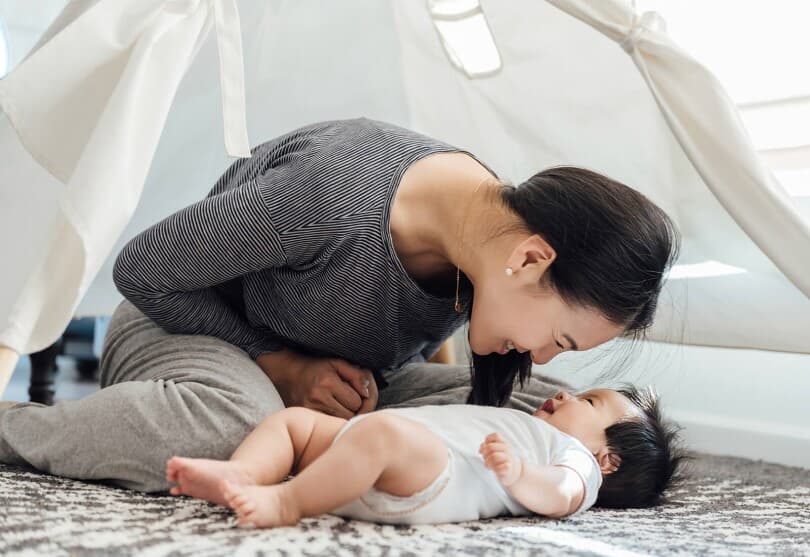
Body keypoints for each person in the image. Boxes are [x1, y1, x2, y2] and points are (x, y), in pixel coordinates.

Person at [0, 117, 680, 492]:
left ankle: (304, 448)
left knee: (553, 414)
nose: (538, 356)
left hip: (341, 377)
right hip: (190, 328)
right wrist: (284, 365)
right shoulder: (332, 196)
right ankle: (16, 430)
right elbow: (143, 269)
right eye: (555, 337)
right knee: (233, 422)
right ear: (531, 259)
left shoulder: (485, 238)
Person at [165, 386, 686, 527]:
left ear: (608, 460)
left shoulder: (577, 463)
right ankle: (245, 472)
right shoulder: (532, 426)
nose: (569, 396)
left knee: (384, 434)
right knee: (295, 422)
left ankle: (287, 501)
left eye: (590, 402)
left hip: (430, 477)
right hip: (373, 445)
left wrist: (522, 474)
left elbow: (563, 493)